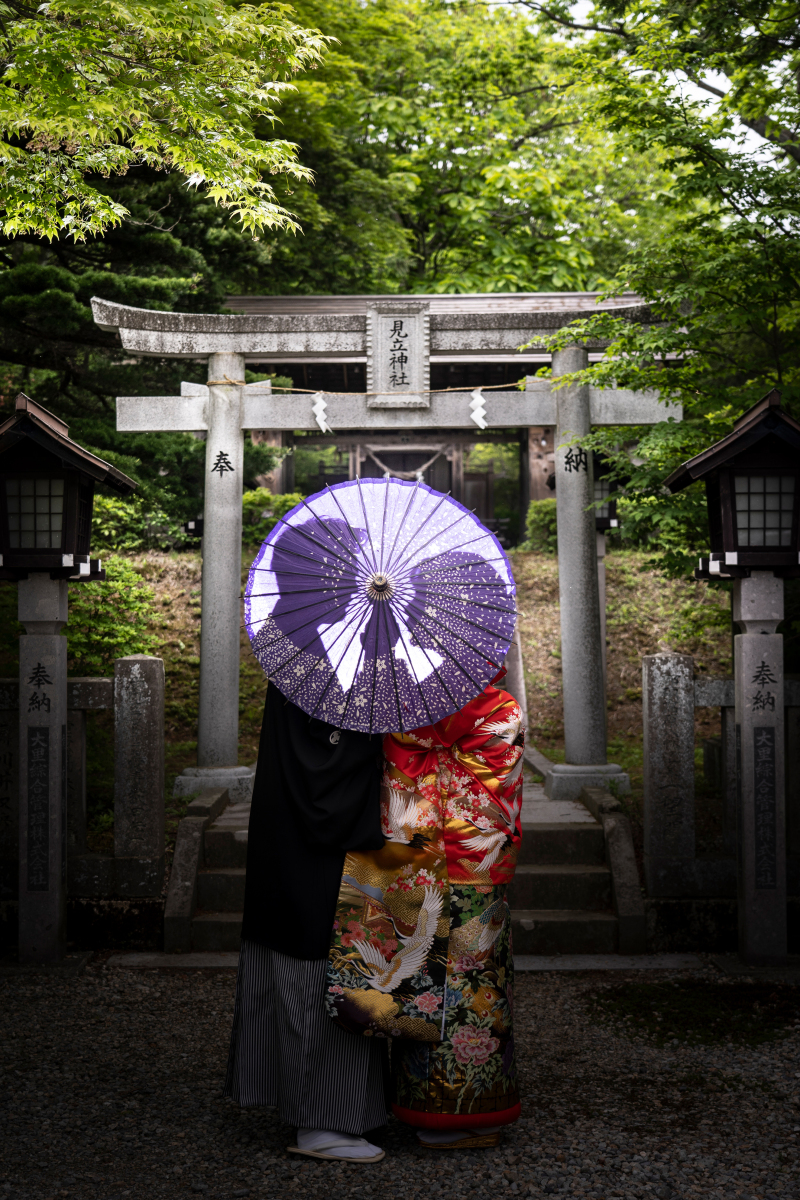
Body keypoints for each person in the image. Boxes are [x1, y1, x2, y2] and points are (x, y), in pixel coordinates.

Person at [326, 671, 524, 1150]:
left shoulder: (431, 712)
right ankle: (466, 1109)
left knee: (439, 987)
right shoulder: (503, 706)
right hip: (474, 862)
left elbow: (404, 737)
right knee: (468, 988)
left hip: (438, 861)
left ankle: (442, 1112)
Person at [224, 682, 389, 1163]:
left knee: (314, 967)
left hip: (291, 842)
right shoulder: (334, 672)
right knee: (325, 972)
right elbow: (328, 767)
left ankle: (328, 1108)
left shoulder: (304, 662)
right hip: (319, 852)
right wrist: (379, 741)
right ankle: (323, 1121)